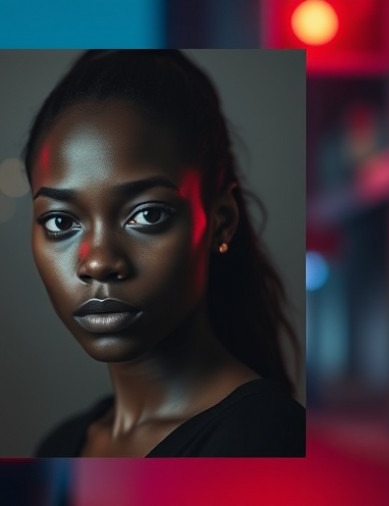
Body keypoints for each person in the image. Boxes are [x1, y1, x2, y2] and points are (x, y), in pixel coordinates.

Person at [24, 50, 304, 457]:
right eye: (61, 223)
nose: (99, 261)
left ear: (221, 220)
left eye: (148, 214)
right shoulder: (60, 447)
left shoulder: (264, 440)